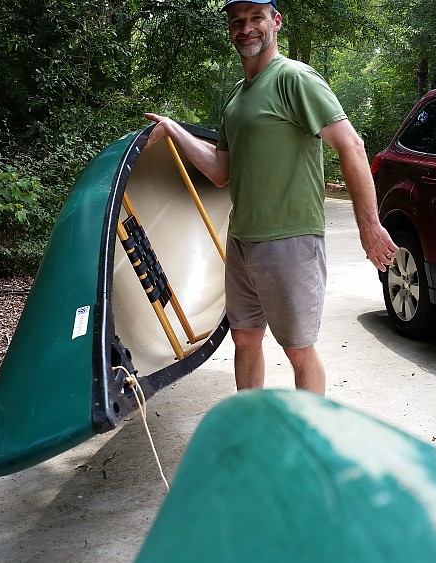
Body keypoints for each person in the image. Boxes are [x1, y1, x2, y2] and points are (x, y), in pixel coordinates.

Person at [144, 0, 397, 396]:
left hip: (291, 239)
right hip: (242, 239)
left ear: (275, 22)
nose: (246, 28)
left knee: (297, 350)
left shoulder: (295, 78)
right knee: (244, 340)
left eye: (256, 18)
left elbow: (351, 145)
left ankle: (305, 442)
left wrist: (370, 225)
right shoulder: (235, 97)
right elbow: (219, 170)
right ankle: (254, 427)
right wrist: (175, 129)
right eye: (237, 21)